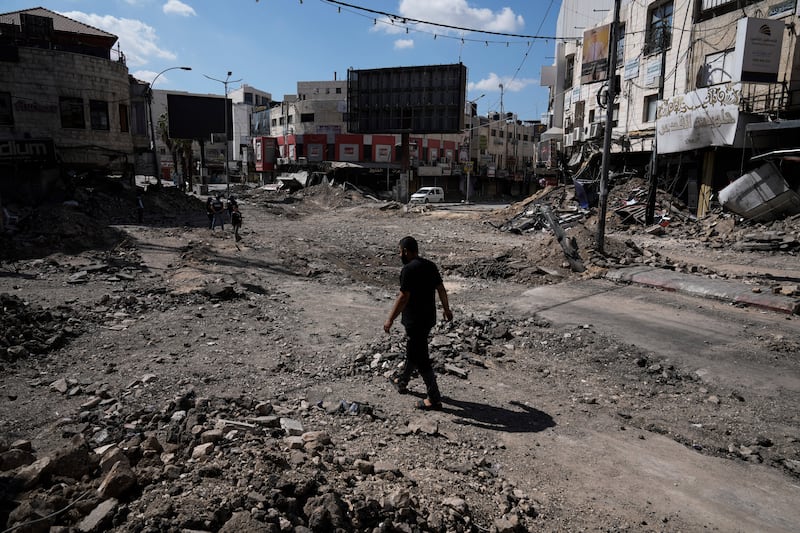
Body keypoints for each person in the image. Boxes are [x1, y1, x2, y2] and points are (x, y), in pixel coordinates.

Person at [384, 236, 453, 411]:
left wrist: (390, 319)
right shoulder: (430, 266)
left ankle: (434, 398)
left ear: (406, 251)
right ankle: (402, 381)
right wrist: (446, 309)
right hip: (429, 318)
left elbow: (403, 297)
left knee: (421, 358)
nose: (400, 254)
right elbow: (441, 289)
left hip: (414, 321)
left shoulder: (408, 270)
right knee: (413, 350)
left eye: (400, 251)